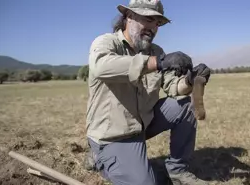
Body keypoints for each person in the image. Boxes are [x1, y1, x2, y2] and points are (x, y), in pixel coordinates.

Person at [85, 0, 211, 184]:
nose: (152, 27)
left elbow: (172, 86)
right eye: (147, 19)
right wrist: (156, 63)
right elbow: (100, 67)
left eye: (157, 23)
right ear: (128, 17)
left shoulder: (156, 51)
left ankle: (178, 171)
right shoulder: (106, 43)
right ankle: (100, 157)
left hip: (142, 124)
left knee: (185, 105)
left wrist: (189, 80)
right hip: (113, 135)